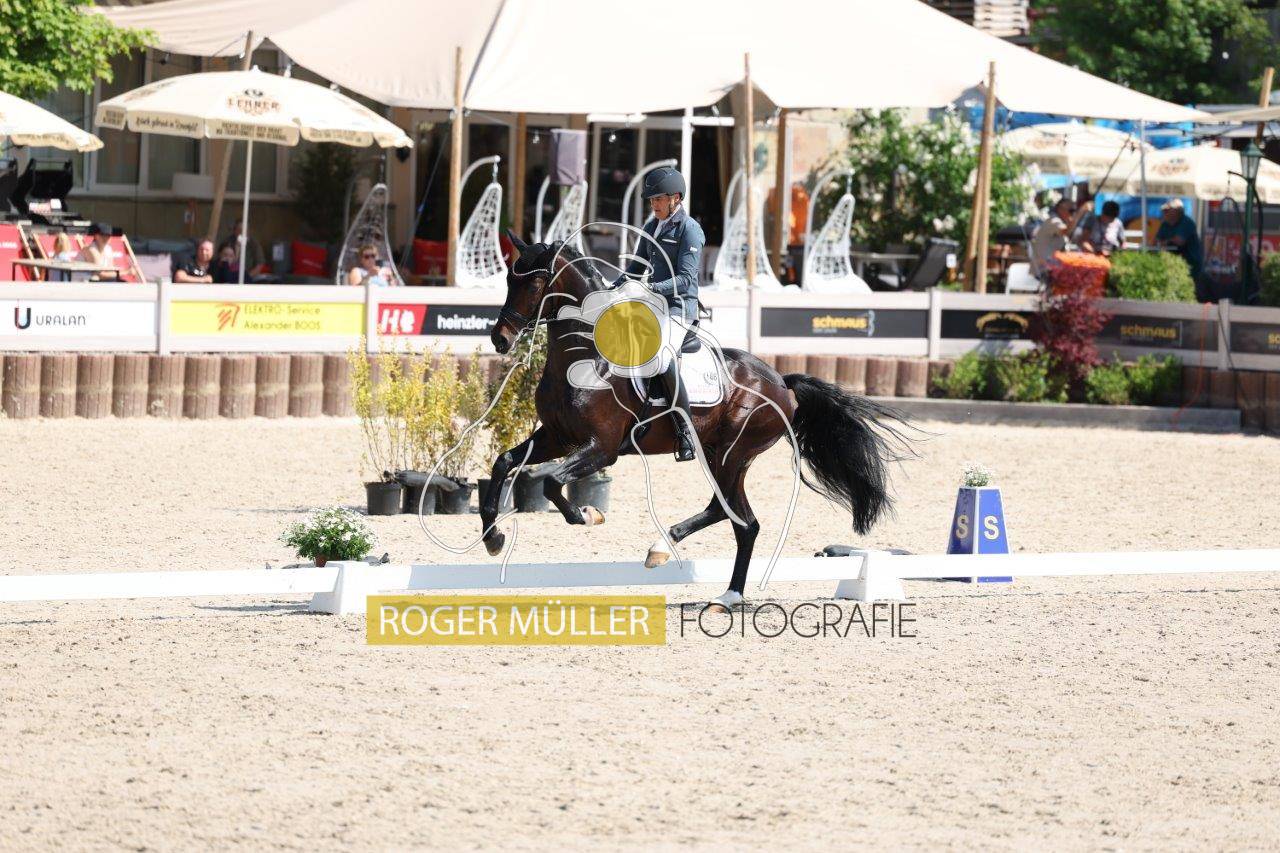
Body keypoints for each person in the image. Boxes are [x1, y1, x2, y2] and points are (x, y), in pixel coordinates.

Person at [613, 166, 704, 462]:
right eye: (652, 200)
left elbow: (686, 279)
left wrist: (650, 287)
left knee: (662, 357)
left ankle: (685, 431)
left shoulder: (690, 230)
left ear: (676, 198)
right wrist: (610, 288)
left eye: (659, 200)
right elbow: (635, 268)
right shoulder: (652, 227)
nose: (654, 205)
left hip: (679, 309)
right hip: (653, 306)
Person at [1030, 197, 1091, 277]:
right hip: (1043, 271)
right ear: (1061, 209)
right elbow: (1066, 231)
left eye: (1074, 211)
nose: (1073, 214)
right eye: (1071, 211)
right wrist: (1080, 212)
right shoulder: (1053, 221)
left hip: (1051, 268)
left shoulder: (1060, 222)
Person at [1155, 198, 1203, 279]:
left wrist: (1167, 241)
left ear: (1177, 211)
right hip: (1171, 264)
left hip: (1190, 265)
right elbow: (1156, 241)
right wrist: (1164, 242)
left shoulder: (1187, 222)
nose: (1164, 213)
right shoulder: (1165, 224)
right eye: (1164, 210)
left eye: (1167, 210)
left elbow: (1180, 241)